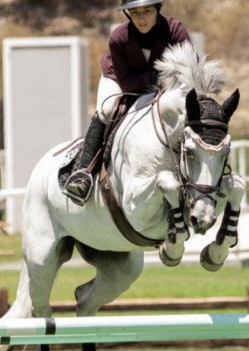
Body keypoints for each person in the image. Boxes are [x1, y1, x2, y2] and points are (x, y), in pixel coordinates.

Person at [64, 0, 190, 206]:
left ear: (158, 9)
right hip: (120, 79)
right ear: (128, 14)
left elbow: (188, 71)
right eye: (135, 12)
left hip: (165, 83)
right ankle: (82, 173)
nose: (141, 18)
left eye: (147, 11)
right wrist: (152, 79)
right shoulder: (118, 38)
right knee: (106, 109)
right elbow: (126, 84)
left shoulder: (175, 31)